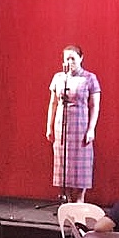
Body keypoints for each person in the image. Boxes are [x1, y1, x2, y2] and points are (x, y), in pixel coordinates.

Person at [46, 44, 101, 202]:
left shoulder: (89, 78)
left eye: (73, 58)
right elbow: (53, 103)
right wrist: (49, 126)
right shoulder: (59, 78)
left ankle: (80, 199)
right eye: (67, 59)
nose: (70, 62)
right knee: (64, 164)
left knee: (81, 165)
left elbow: (94, 105)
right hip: (61, 126)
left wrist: (91, 129)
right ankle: (68, 200)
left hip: (80, 126)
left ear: (81, 58)